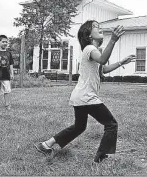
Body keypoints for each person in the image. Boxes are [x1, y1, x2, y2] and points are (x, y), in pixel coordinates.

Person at [34, 20, 136, 163]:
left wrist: (121, 62)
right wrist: (113, 39)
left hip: (79, 96)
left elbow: (103, 69)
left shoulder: (94, 52)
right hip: (86, 96)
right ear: (88, 35)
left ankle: (46, 144)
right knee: (111, 124)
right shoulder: (89, 48)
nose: (99, 28)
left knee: (79, 127)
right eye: (95, 27)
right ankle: (101, 158)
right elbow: (102, 60)